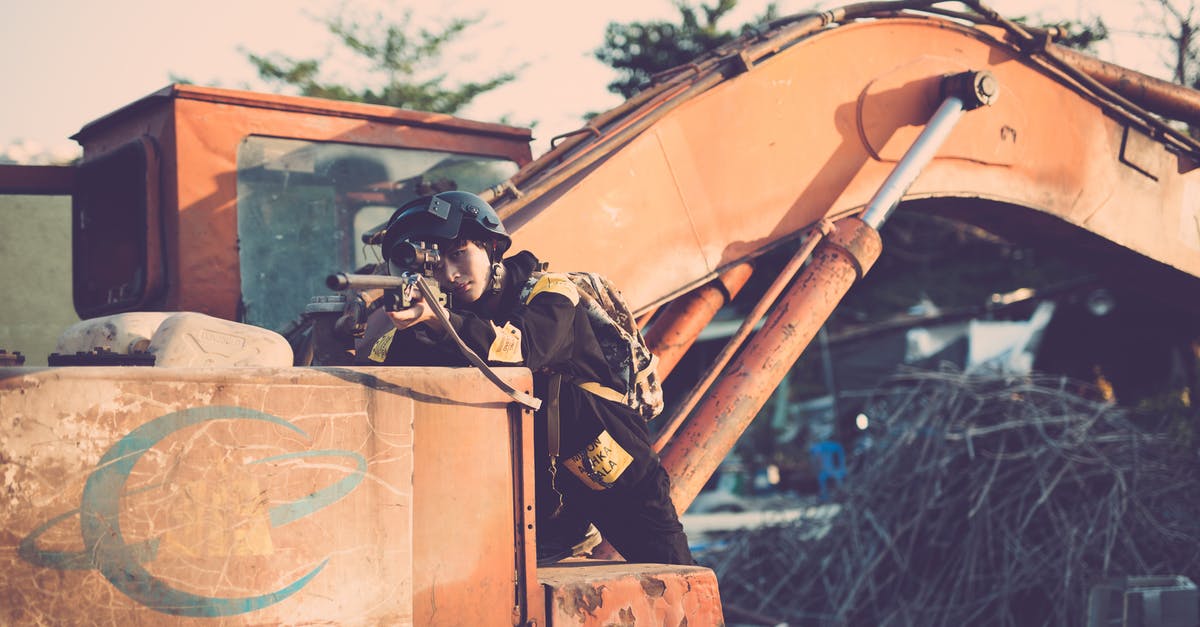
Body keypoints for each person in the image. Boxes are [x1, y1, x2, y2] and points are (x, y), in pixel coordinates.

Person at [355, 190, 693, 565]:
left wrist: (441, 320)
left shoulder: (550, 292)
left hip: (611, 462)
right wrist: (377, 330)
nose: (450, 275)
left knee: (675, 574)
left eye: (458, 254)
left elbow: (519, 352)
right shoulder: (441, 320)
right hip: (534, 498)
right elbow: (376, 373)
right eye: (435, 265)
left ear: (490, 247)